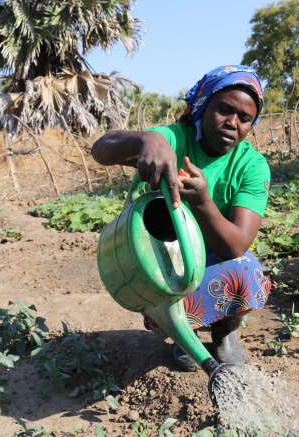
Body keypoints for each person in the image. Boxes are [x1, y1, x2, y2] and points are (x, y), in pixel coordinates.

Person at [91, 65, 272, 371]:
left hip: (216, 256)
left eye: (244, 118)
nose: (232, 123)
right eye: (225, 110)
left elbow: (237, 244)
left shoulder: (251, 166)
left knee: (246, 270)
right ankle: (183, 334)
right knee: (163, 282)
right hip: (168, 253)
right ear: (202, 106)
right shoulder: (174, 140)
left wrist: (201, 202)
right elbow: (101, 150)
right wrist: (147, 141)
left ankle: (225, 332)